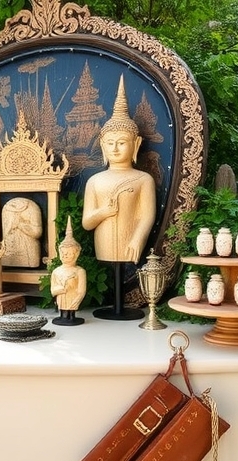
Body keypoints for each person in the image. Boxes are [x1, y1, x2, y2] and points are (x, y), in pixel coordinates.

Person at [81, 75, 156, 320]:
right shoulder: (95, 181)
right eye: (110, 143)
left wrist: (137, 238)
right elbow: (87, 223)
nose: (115, 148)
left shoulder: (143, 179)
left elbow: (147, 216)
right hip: (104, 241)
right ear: (102, 145)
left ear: (136, 144)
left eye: (122, 143)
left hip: (129, 240)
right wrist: (103, 212)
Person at [50, 216, 86, 325]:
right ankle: (63, 316)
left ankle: (71, 316)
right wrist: (60, 289)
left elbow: (81, 291)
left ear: (76, 254)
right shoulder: (56, 271)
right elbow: (53, 290)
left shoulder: (79, 271)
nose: (65, 255)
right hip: (61, 299)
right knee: (63, 310)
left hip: (73, 299)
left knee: (71, 310)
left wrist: (77, 301)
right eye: (63, 253)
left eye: (69, 253)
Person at [1, 197, 42, 267]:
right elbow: (6, 233)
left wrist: (20, 225)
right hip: (11, 250)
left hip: (28, 250)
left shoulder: (31, 208)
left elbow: (37, 232)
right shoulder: (7, 209)